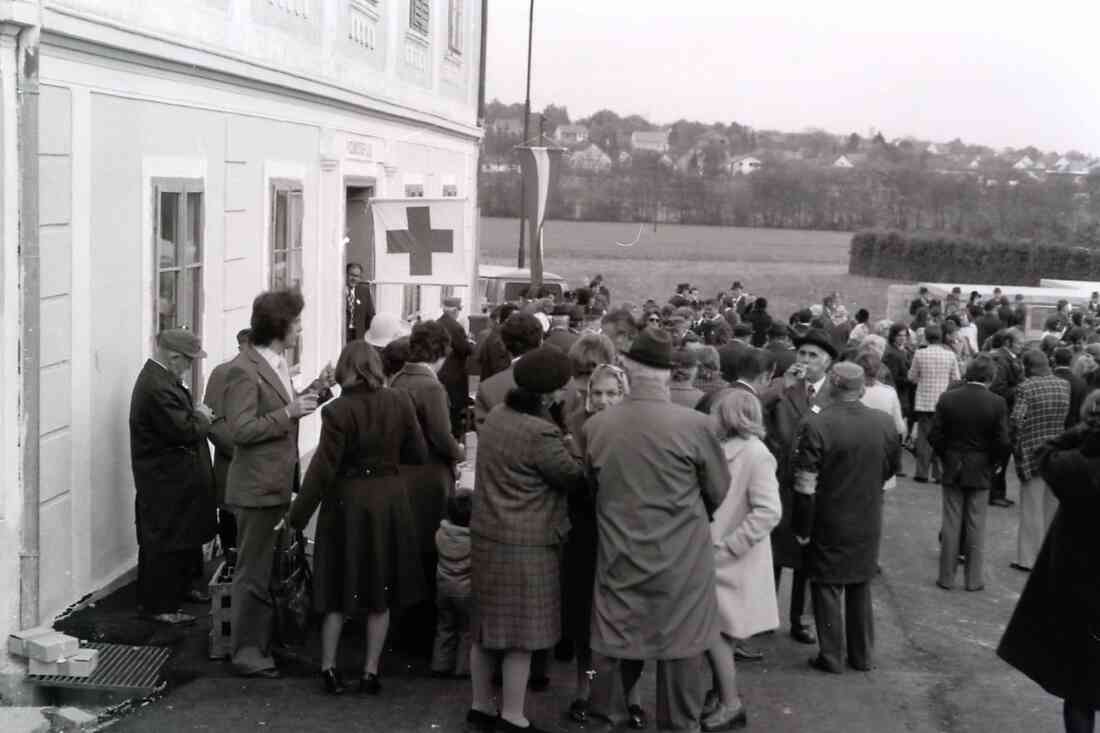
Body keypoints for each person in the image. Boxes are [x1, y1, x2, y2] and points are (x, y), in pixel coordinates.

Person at [585, 327, 731, 732]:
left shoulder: (597, 427)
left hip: (619, 556)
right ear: (669, 374)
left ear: (628, 371)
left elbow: (592, 488)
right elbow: (718, 491)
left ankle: (602, 717)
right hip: (681, 560)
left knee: (607, 652)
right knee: (683, 653)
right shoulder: (697, 425)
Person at [287, 342, 428, 695]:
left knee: (337, 586)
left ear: (345, 370)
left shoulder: (336, 411)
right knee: (380, 591)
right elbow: (418, 452)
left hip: (347, 500)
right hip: (389, 499)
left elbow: (322, 470)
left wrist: (296, 517)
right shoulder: (400, 401)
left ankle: (330, 669)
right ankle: (370, 672)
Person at [467, 347, 586, 733]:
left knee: (485, 632)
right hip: (528, 543)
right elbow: (574, 478)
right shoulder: (542, 433)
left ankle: (481, 706)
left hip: (488, 534)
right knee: (520, 638)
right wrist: (571, 441)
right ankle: (513, 716)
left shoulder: (499, 415)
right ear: (550, 394)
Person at [223, 290, 335, 678]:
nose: (301, 328)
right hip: (257, 487)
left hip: (273, 482)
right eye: (297, 321)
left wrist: (317, 390)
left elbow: (282, 414)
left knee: (267, 570)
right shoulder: (244, 369)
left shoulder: (275, 362)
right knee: (252, 573)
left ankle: (262, 644)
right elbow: (240, 429)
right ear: (279, 326)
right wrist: (289, 410)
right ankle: (248, 654)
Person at [998, 392, 1100, 733]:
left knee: (1080, 694)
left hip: (1081, 591)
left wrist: (1083, 430)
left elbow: (1045, 453)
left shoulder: (1076, 468)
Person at [792, 362, 901, 674]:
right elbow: (891, 467)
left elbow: (805, 482)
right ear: (862, 389)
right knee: (860, 583)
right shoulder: (883, 422)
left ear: (832, 387)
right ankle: (862, 654)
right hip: (868, 514)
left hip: (828, 516)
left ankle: (831, 655)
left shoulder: (817, 424)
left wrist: (802, 524)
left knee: (826, 584)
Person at [702, 390, 782, 731]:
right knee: (719, 633)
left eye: (716, 412)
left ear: (730, 416)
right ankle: (719, 694)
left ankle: (731, 704)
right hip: (721, 558)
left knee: (715, 634)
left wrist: (729, 547)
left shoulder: (755, 454)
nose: (710, 418)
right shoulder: (726, 449)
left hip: (732, 559)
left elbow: (769, 511)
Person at [562, 364, 635, 725]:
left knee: (627, 616)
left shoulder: (635, 428)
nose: (603, 400)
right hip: (587, 529)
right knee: (584, 617)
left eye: (612, 393)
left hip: (625, 531)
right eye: (597, 393)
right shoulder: (576, 426)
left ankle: (629, 693)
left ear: (624, 394)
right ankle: (584, 689)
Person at [129, 328, 217, 625]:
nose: (191, 366)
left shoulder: (161, 380)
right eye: (189, 360)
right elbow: (185, 430)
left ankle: (176, 593)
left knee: (178, 536)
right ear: (173, 357)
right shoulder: (158, 386)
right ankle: (159, 606)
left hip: (171, 479)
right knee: (165, 542)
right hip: (165, 480)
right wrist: (203, 415)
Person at [388, 320, 466, 642]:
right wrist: (460, 452)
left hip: (401, 475)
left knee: (406, 551)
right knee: (427, 551)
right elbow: (441, 437)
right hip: (428, 477)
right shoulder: (431, 386)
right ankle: (421, 631)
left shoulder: (398, 379)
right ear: (440, 351)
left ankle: (403, 626)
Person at [763, 328, 837, 647]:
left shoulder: (835, 394)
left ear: (828, 363)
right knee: (773, 552)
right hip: (778, 481)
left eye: (813, 356)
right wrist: (783, 385)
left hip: (816, 486)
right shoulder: (783, 387)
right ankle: (765, 614)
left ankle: (801, 619)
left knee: (807, 554)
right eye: (802, 354)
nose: (805, 361)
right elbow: (754, 407)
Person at [928, 355, 1011, 591]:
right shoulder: (997, 403)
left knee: (952, 522)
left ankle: (946, 577)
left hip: (953, 463)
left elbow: (934, 435)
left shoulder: (948, 398)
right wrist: (993, 462)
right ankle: (973, 580)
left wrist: (947, 456)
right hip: (981, 466)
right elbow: (1003, 441)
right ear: (991, 377)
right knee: (976, 524)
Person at [1010, 350, 1070, 572]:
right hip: (1056, 452)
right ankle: (1048, 556)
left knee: (1031, 508)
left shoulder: (1026, 387)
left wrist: (1015, 444)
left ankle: (1027, 559)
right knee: (1050, 508)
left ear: (1028, 367)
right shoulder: (1064, 385)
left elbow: (1017, 419)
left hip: (1032, 453)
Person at [203, 327, 252, 567]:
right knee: (232, 535)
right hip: (232, 470)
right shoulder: (222, 374)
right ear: (242, 346)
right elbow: (213, 423)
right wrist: (244, 451)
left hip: (260, 477)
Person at [907, 325, 961, 484]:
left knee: (924, 439)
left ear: (926, 338)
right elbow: (956, 378)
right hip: (944, 401)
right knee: (942, 438)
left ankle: (921, 472)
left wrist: (920, 381)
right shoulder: (950, 355)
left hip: (924, 401)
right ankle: (939, 473)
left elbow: (911, 377)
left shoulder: (919, 354)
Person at [431, 490, 474, 678]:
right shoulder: (474, 540)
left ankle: (440, 665)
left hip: (443, 588)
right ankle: (463, 668)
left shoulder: (441, 534)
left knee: (444, 626)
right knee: (466, 630)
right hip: (466, 591)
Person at [474, 313, 544, 428]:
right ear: (541, 342)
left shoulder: (488, 388)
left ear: (503, 345)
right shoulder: (566, 384)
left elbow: (485, 438)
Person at [856, 350, 906, 490]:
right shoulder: (889, 392)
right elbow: (899, 428)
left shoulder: (848, 392)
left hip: (853, 453)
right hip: (880, 454)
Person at [989, 328, 1025, 507]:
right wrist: (1021, 388)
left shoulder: (1009, 357)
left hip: (1006, 411)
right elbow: (998, 389)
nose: (1022, 347)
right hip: (1003, 413)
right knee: (1000, 454)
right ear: (1008, 343)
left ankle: (999, 492)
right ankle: (994, 493)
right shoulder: (1001, 359)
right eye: (1019, 344)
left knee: (1003, 454)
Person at [438, 297, 474, 438]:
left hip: (440, 372)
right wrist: (470, 344)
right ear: (455, 310)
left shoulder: (437, 323)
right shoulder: (456, 327)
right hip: (454, 374)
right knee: (454, 411)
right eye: (459, 309)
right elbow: (465, 349)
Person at [476, 303, 519, 381]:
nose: (519, 322)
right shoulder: (498, 338)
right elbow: (500, 370)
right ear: (507, 320)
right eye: (516, 319)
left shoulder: (500, 334)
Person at [1053, 347, 1091, 429]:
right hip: (1072, 427)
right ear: (1071, 361)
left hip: (1051, 427)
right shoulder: (1081, 383)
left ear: (1054, 361)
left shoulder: (1049, 381)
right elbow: (1081, 410)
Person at [345, 262, 376, 343]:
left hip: (359, 338)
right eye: (351, 275)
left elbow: (370, 316)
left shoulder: (364, 291)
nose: (354, 279)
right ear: (345, 275)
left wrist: (369, 338)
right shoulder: (338, 291)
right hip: (342, 336)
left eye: (357, 276)